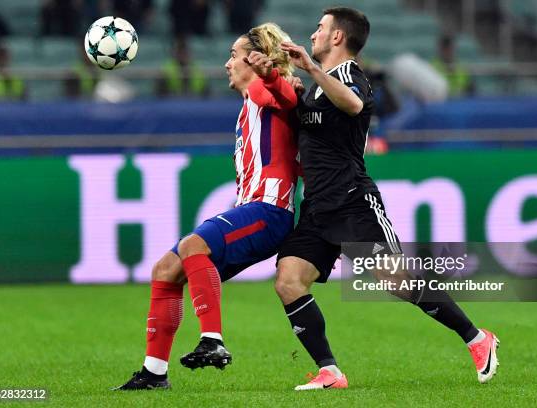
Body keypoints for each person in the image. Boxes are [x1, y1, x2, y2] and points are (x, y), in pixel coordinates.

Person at [276, 7, 499, 390]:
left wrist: (309, 71)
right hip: (317, 205)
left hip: (352, 200)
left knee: (396, 280)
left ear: (337, 38)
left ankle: (477, 338)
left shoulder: (350, 75)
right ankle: (330, 370)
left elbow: (354, 105)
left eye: (320, 27)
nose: (313, 33)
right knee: (289, 280)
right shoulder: (315, 84)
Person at [115, 22, 300, 390]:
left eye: (234, 56)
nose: (227, 64)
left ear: (257, 59)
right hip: (253, 208)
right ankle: (154, 373)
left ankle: (213, 340)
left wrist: (273, 77)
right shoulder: (252, 101)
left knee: (191, 246)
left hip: (270, 211)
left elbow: (287, 99)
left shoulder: (265, 89)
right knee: (166, 269)